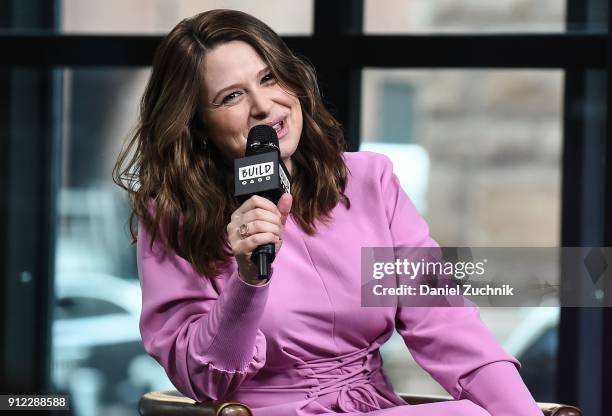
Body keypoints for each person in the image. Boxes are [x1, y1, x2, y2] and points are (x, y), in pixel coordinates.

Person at [113, 9, 542, 416]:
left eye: (269, 77)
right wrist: (248, 280)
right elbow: (204, 379)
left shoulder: (370, 181)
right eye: (231, 96)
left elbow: (447, 325)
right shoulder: (175, 217)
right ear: (198, 125)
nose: (263, 106)